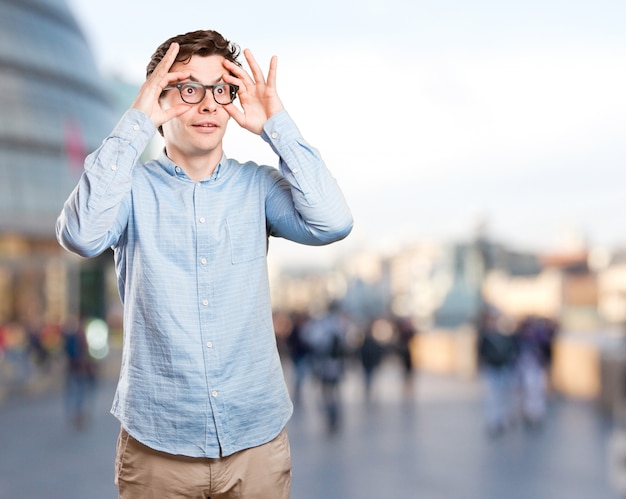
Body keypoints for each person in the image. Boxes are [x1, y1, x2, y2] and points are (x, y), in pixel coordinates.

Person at [56, 29, 352, 498]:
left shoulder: (258, 187)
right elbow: (80, 234)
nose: (209, 104)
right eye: (190, 89)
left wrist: (276, 124)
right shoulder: (129, 191)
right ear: (160, 98)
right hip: (157, 448)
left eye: (222, 89)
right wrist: (136, 121)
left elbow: (332, 222)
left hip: (256, 444)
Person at [476, 306, 519, 437]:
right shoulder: (485, 335)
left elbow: (511, 349)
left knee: (503, 396)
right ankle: (493, 421)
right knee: (492, 396)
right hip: (492, 368)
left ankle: (500, 420)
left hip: (503, 368)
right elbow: (481, 352)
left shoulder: (504, 334)